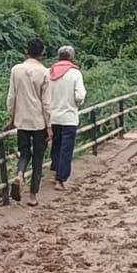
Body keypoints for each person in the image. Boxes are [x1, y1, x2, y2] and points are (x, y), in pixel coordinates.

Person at [7, 38, 52, 206]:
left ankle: (19, 174)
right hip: (39, 122)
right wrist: (49, 127)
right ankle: (33, 196)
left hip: (22, 120)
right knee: (38, 158)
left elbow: (12, 97)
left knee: (24, 152)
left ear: (26, 51)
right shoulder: (45, 72)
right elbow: (46, 103)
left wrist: (12, 119)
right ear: (42, 53)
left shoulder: (16, 70)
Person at [48, 45, 86, 190]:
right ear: (71, 57)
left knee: (56, 146)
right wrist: (77, 104)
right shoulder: (75, 73)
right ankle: (61, 179)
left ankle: (55, 172)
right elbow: (80, 96)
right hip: (69, 117)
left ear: (58, 57)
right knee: (66, 149)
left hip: (52, 117)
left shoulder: (49, 72)